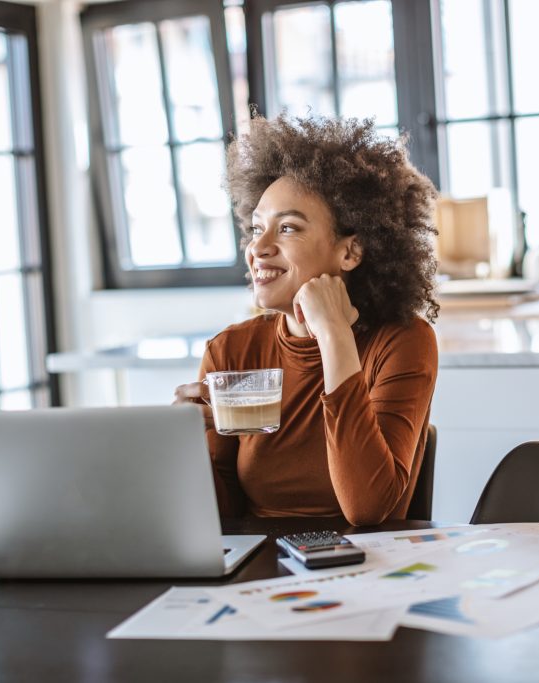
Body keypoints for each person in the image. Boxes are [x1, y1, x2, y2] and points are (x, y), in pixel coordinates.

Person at [174, 113, 439, 526]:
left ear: (350, 252)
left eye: (288, 229)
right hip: (262, 570)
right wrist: (182, 449)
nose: (258, 247)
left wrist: (334, 335)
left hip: (370, 568)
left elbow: (368, 509)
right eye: (256, 228)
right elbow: (220, 519)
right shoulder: (231, 351)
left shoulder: (402, 341)